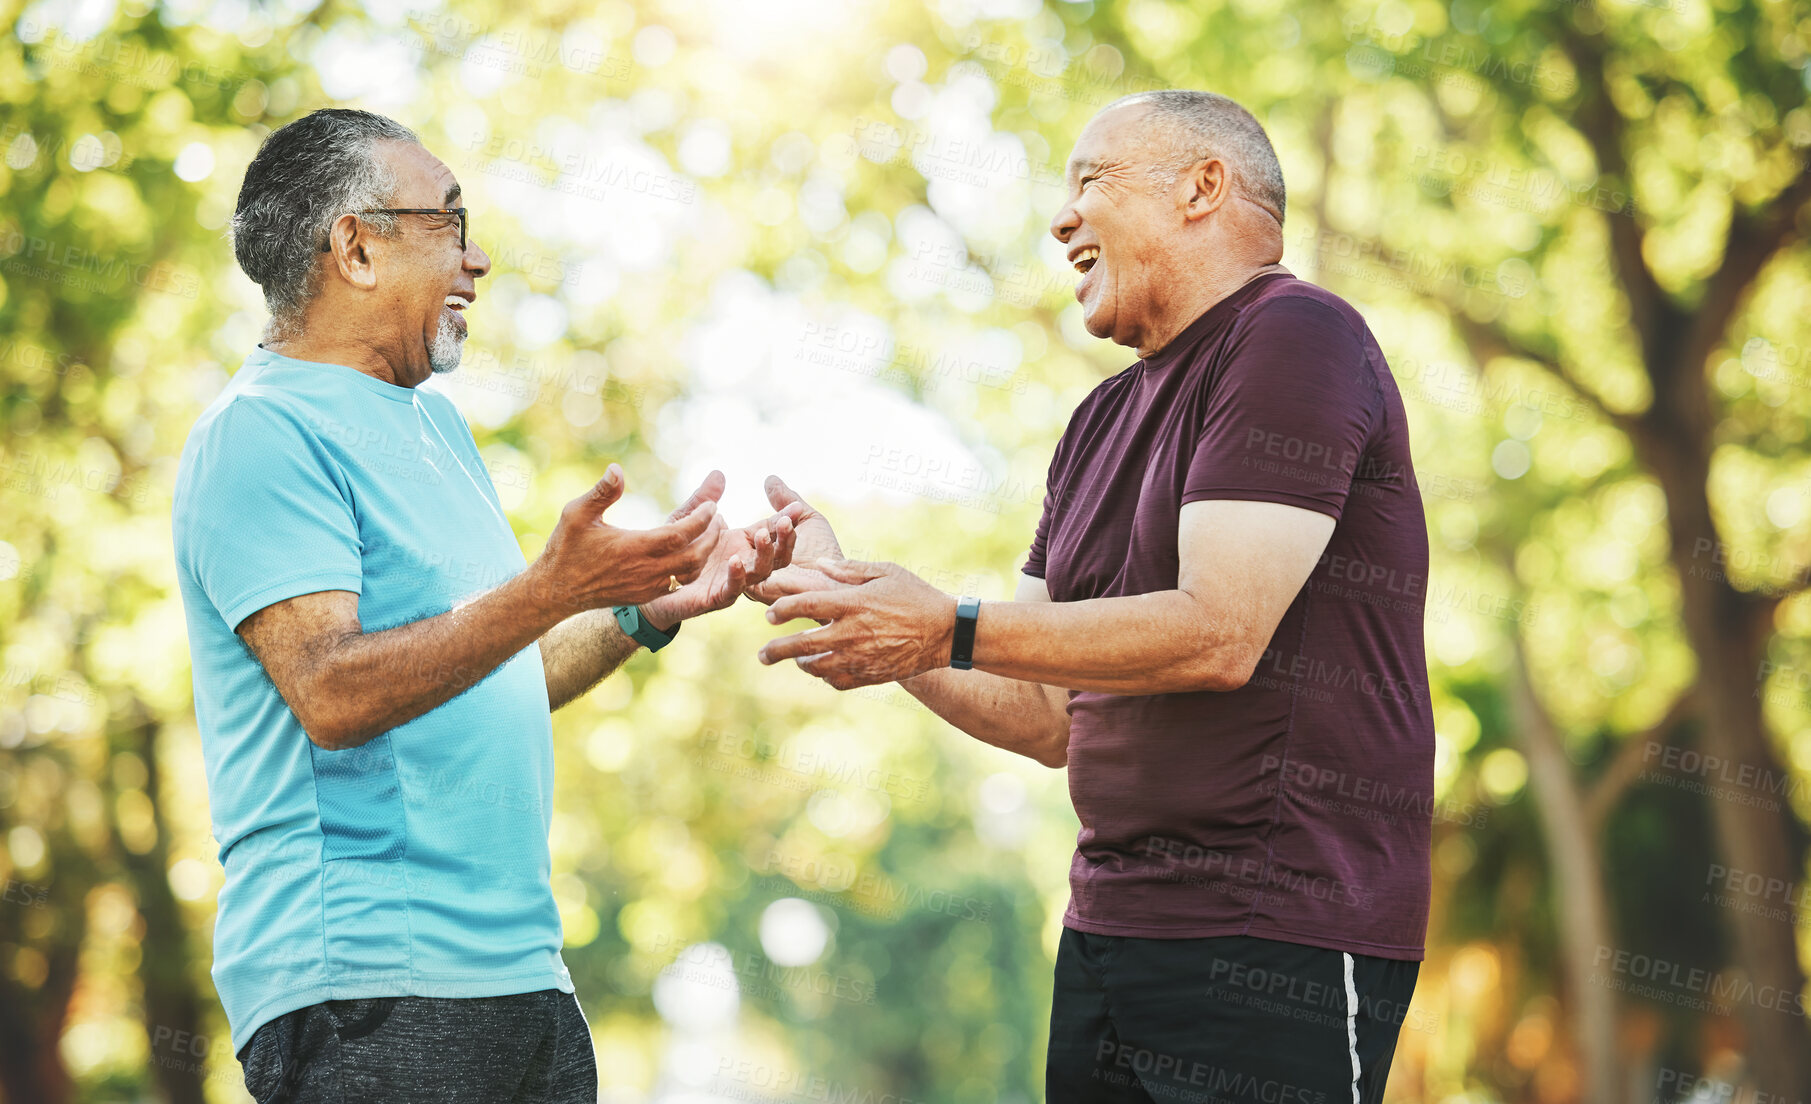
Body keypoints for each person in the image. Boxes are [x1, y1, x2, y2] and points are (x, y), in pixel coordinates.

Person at [753, 90, 1434, 1103]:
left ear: (1202, 187)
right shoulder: (1095, 422)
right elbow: (1041, 716)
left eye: (1089, 183)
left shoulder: (1295, 335)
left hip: (1274, 936)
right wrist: (870, 617)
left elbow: (1218, 633)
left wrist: (942, 625)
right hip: (1108, 936)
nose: (1059, 220)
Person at [172, 108, 797, 1104]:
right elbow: (332, 693)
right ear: (357, 247)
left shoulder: (436, 434)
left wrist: (645, 612)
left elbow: (485, 679)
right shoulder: (262, 433)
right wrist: (548, 587)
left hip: (520, 981)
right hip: (368, 993)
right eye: (450, 222)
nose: (480, 258)